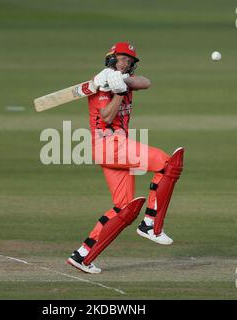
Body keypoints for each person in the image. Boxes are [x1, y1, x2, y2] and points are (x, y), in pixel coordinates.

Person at [66, 42, 185, 274]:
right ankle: (151, 224)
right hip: (108, 143)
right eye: (123, 59)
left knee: (124, 208)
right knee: (168, 163)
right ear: (111, 59)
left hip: (116, 148)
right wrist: (118, 93)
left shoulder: (123, 80)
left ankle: (82, 255)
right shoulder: (100, 84)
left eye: (130, 61)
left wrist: (123, 82)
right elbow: (107, 116)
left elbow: (146, 82)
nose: (127, 63)